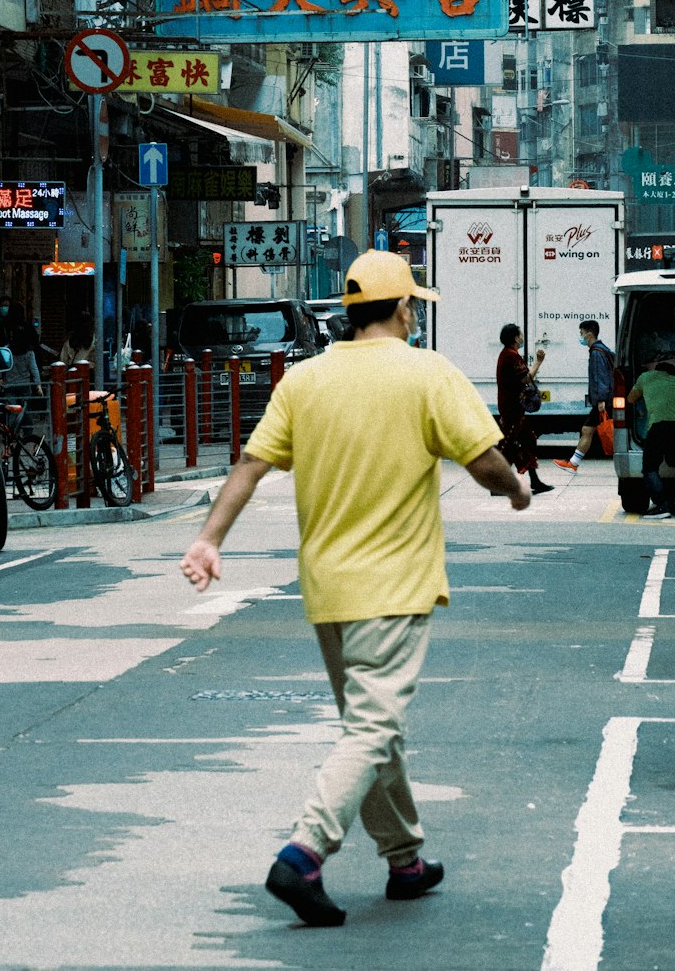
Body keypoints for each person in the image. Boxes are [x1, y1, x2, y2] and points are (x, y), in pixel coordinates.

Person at [180, 249, 531, 929]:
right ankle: (304, 853)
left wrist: (209, 540)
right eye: (412, 307)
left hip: (327, 589)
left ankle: (404, 859)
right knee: (374, 725)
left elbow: (251, 466)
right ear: (403, 310)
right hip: (393, 586)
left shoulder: (304, 382)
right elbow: (483, 459)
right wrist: (516, 487)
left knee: (372, 727)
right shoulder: (426, 373)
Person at [626, 358, 675, 518]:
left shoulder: (645, 377)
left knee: (650, 466)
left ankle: (662, 506)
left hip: (661, 425)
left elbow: (631, 398)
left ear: (656, 370)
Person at [496, 323, 552, 495]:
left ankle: (534, 481)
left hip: (512, 407)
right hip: (512, 409)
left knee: (525, 441)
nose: (522, 337)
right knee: (509, 446)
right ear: (515, 338)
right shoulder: (511, 356)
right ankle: (498, 485)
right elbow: (526, 379)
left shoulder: (508, 355)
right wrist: (538, 362)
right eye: (520, 334)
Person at [555, 320, 615, 474]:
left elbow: (601, 376)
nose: (580, 337)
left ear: (589, 335)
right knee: (587, 429)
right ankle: (573, 463)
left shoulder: (596, 352)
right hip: (605, 398)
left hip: (603, 400)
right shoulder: (602, 350)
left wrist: (601, 399)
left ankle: (573, 464)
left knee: (587, 429)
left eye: (581, 333)